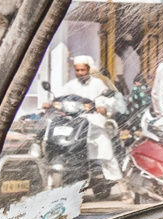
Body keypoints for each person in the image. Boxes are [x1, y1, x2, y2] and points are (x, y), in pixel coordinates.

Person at [48, 55, 124, 184]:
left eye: (82, 70)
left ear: (88, 69)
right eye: (77, 70)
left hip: (94, 124)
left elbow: (108, 100)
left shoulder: (97, 84)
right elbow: (60, 97)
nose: (80, 73)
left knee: (106, 153)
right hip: (74, 124)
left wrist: (103, 107)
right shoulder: (71, 85)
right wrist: (50, 103)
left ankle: (123, 190)